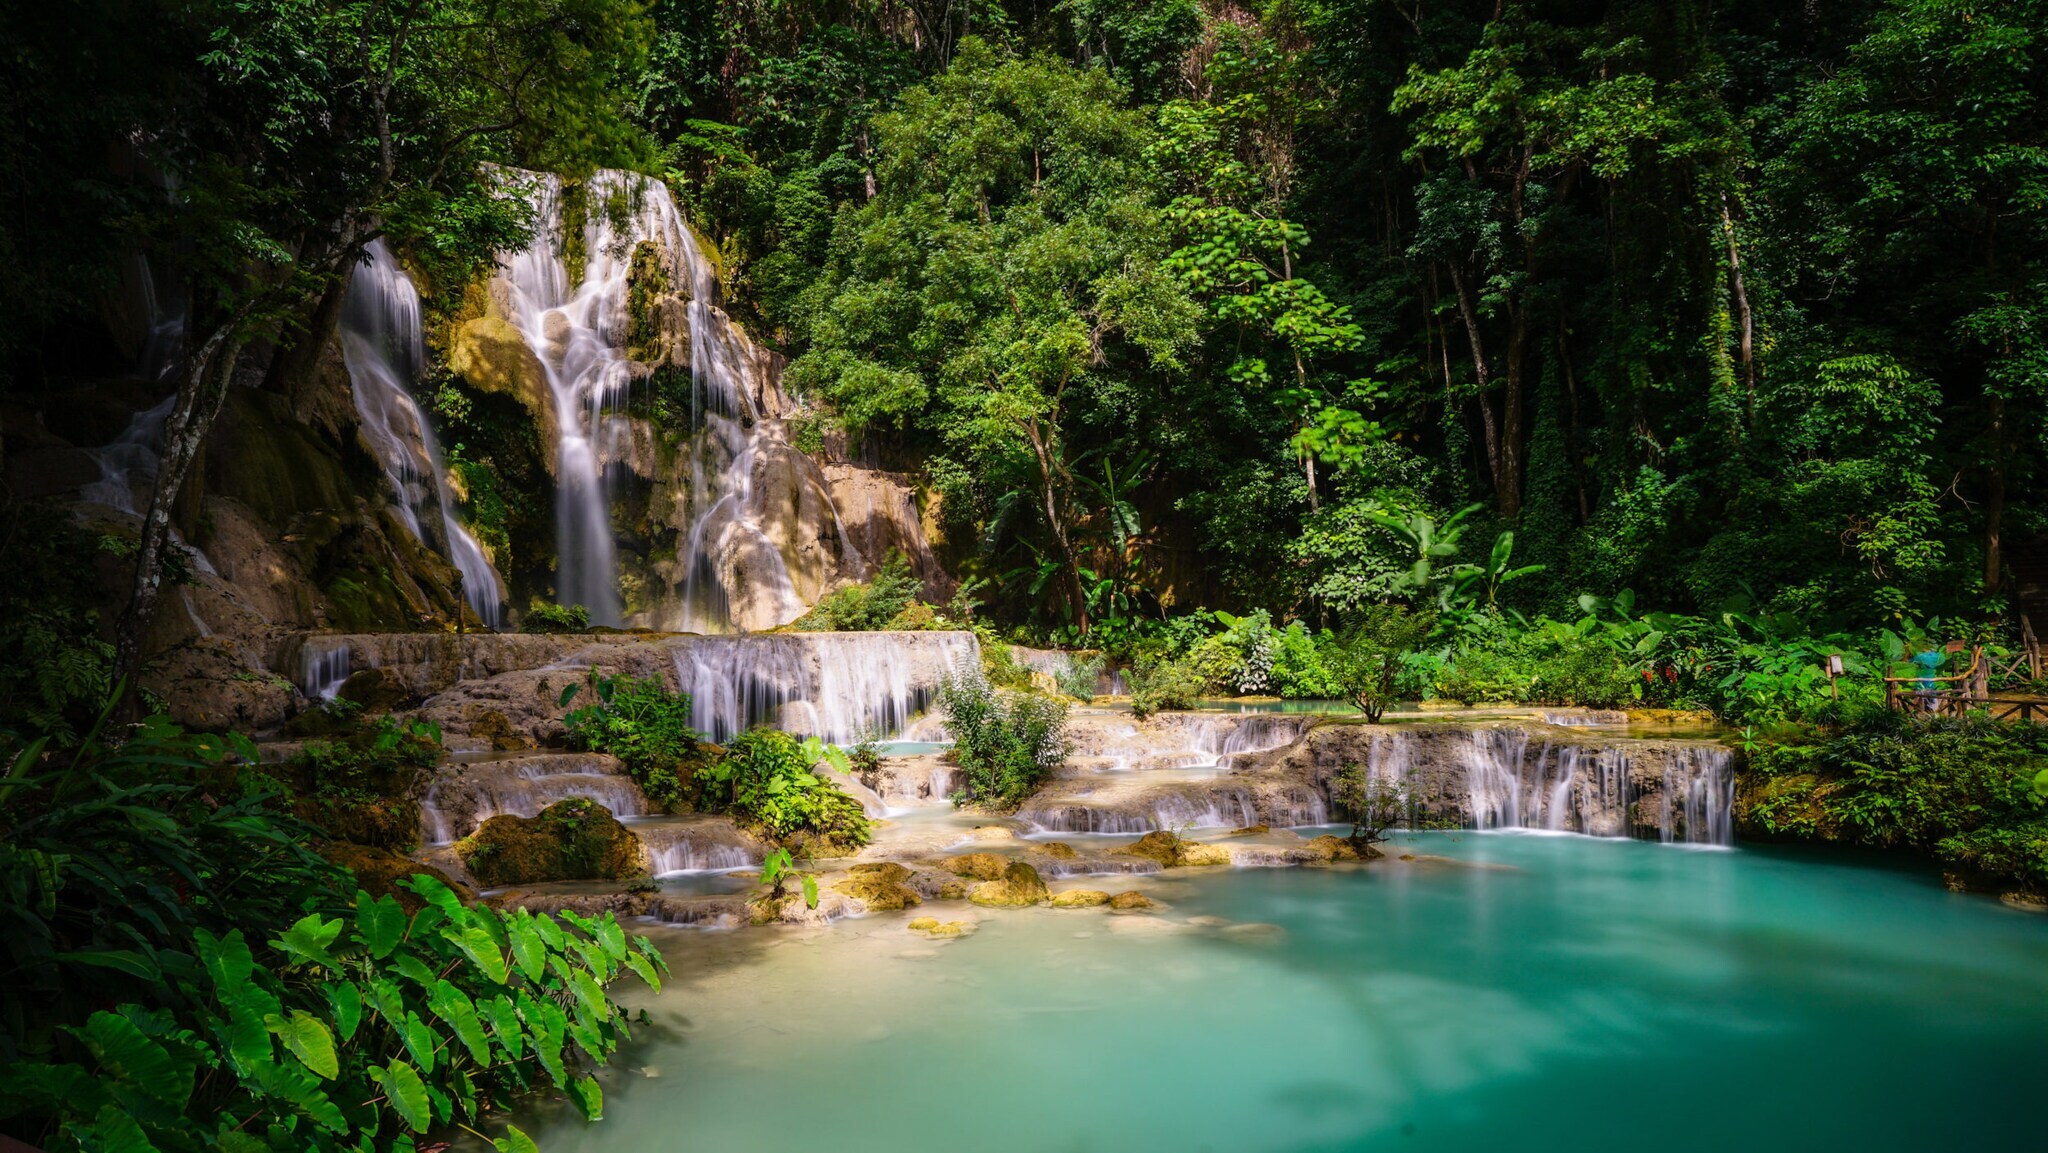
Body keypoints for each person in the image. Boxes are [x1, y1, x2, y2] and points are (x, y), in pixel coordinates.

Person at [1909, 642, 1947, 712]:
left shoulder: (1921, 656)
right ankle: (1932, 709)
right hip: (1930, 678)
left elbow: (1910, 662)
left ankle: (1921, 709)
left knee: (1921, 693)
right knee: (1931, 693)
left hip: (1921, 678)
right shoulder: (1937, 656)